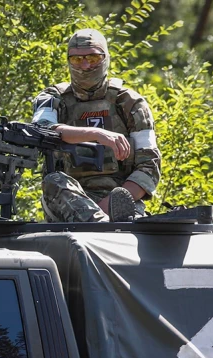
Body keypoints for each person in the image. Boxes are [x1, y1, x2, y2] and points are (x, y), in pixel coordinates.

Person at [32, 28, 161, 222]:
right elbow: (41, 130)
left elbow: (149, 166)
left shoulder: (130, 102)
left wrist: (108, 205)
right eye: (77, 59)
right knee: (53, 181)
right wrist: (96, 134)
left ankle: (100, 223)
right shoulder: (52, 98)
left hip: (121, 204)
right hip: (67, 202)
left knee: (121, 205)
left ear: (105, 58)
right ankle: (99, 225)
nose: (84, 66)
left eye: (92, 58)